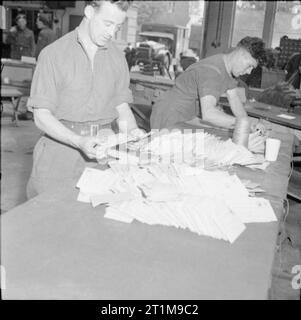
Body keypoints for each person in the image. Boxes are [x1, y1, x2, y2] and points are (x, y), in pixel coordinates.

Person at [26, 0, 144, 198]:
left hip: (103, 156)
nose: (112, 32)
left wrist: (132, 134)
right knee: (50, 220)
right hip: (59, 154)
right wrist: (78, 141)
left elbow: (121, 107)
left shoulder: (117, 58)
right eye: (107, 24)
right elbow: (41, 116)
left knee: (92, 221)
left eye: (118, 26)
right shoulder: (53, 55)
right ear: (89, 12)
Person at [150, 37, 267, 131]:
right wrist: (245, 124)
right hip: (168, 113)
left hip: (184, 114)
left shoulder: (227, 67)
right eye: (250, 65)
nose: (249, 71)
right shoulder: (212, 71)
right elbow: (209, 114)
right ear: (241, 54)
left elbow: (234, 99)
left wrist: (248, 126)